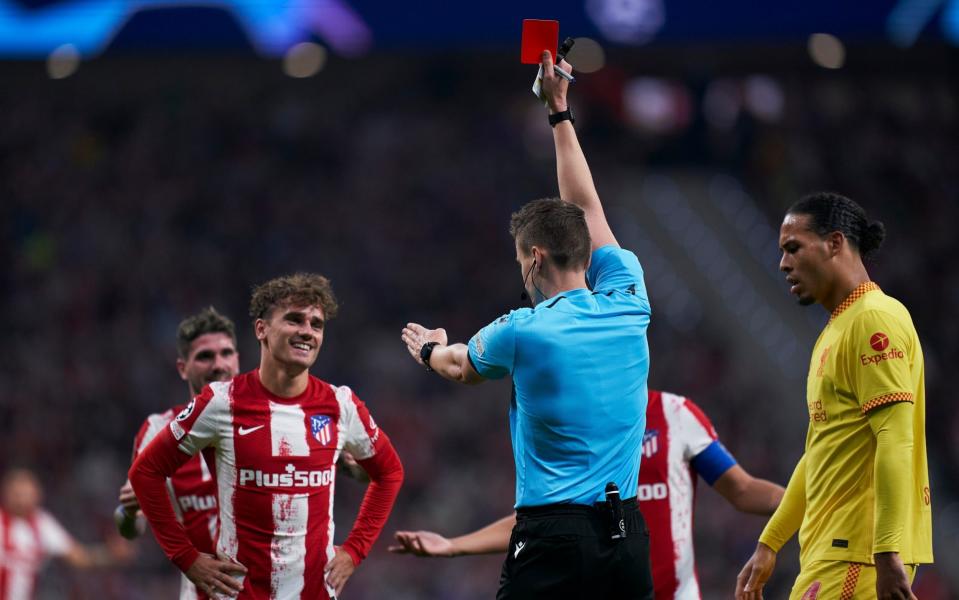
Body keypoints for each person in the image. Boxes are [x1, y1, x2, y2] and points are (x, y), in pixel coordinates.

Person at [400, 51, 653, 599]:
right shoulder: (628, 295)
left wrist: (429, 351)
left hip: (552, 539)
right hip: (627, 536)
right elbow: (585, 206)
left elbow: (461, 367)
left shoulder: (521, 330)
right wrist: (560, 114)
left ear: (534, 258)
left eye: (521, 258)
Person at [129, 273, 404, 599]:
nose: (307, 331)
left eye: (317, 324)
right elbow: (145, 473)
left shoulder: (340, 404)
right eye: (294, 319)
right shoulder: (221, 402)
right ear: (262, 329)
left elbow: (389, 472)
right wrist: (187, 558)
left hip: (314, 592)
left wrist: (355, 550)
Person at [390, 389, 786, 599]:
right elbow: (539, 522)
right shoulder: (577, 431)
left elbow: (743, 490)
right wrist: (454, 546)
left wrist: (812, 499)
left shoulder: (674, 414)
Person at [735, 193, 933, 600]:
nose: (783, 263)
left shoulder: (874, 320)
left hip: (858, 556)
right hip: (833, 552)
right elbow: (820, 451)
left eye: (794, 248)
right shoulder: (836, 330)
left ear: (835, 243)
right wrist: (769, 543)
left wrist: (887, 552)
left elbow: (896, 439)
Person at [114, 307, 240, 600]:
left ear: (238, 359)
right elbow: (130, 529)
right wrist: (129, 511)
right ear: (183, 368)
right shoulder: (160, 430)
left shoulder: (270, 419)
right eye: (205, 356)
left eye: (226, 353)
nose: (219, 364)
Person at [0, 468, 132, 600]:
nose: (21, 499)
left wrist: (111, 555)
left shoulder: (42, 523)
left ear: (37, 494)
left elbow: (79, 557)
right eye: (17, 493)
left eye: (26, 492)